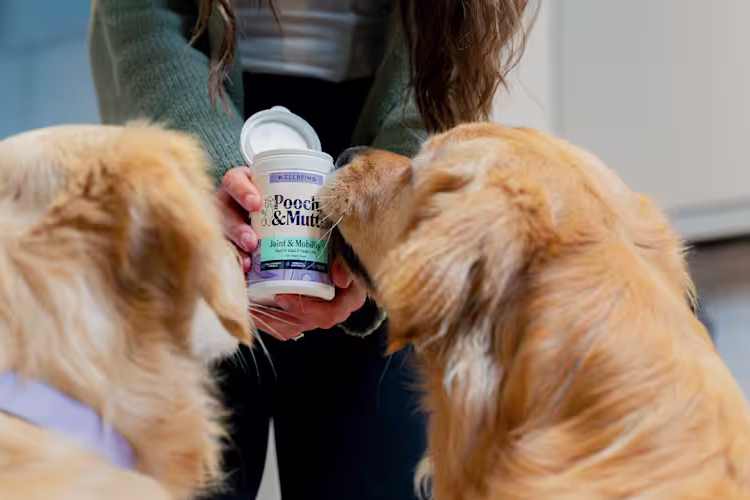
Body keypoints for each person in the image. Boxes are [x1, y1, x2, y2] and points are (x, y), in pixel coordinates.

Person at [89, 1, 531, 498]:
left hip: (378, 152)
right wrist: (208, 172)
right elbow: (145, 16)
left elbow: (451, 54)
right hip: (194, 118)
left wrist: (382, 224)